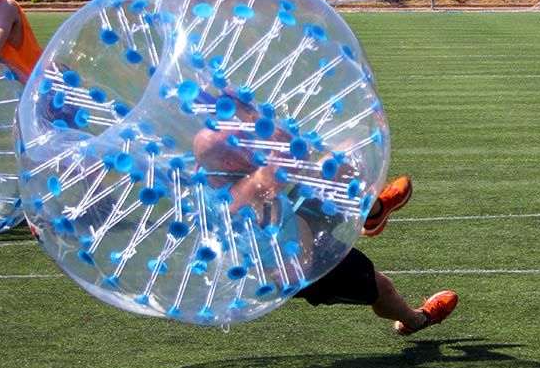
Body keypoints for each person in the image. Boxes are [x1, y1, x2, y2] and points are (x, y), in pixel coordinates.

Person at [194, 100, 457, 336]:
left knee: (341, 161)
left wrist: (238, 108)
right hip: (302, 265)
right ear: (228, 163)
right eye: (240, 141)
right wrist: (262, 122)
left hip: (290, 220)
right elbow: (292, 157)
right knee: (381, 288)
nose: (249, 140)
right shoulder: (241, 195)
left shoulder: (206, 171)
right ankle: (416, 320)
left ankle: (373, 212)